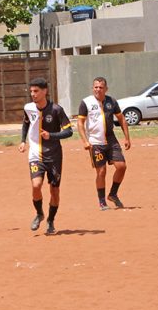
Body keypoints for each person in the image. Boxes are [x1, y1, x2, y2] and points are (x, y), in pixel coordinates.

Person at [19, 77, 73, 235]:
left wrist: (52, 135)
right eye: (31, 91)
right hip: (35, 154)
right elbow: (26, 123)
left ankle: (50, 220)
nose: (33, 94)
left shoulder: (56, 110)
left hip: (54, 156)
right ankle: (39, 214)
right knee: (36, 185)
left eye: (36, 91)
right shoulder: (28, 108)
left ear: (45, 91)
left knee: (54, 191)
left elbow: (69, 131)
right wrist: (23, 141)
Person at [76, 77, 131, 210]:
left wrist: (127, 138)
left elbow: (121, 118)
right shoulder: (86, 103)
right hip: (95, 142)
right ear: (92, 88)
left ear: (106, 89)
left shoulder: (111, 101)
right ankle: (102, 201)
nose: (98, 90)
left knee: (122, 166)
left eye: (101, 87)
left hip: (111, 140)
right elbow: (80, 123)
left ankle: (112, 194)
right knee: (101, 172)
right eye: (96, 87)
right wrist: (85, 141)